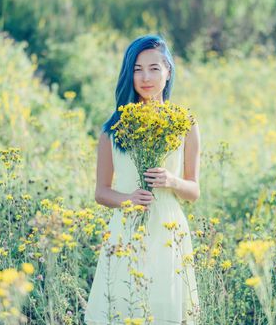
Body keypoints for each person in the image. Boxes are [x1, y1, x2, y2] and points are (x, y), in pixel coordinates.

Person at [84, 35, 201, 325]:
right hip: (126, 230)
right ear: (128, 73)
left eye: (154, 68)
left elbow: (194, 190)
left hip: (168, 231)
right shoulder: (113, 128)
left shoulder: (185, 124)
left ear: (168, 72)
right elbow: (101, 192)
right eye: (137, 69)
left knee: (165, 309)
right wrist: (129, 199)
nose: (145, 77)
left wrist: (171, 181)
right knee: (124, 306)